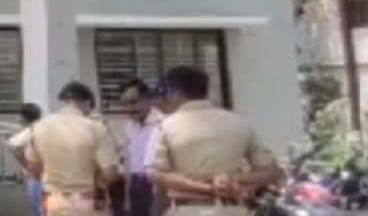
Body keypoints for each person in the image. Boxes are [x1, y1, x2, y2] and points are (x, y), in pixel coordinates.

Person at [148, 66, 283, 216]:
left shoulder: (166, 126)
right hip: (234, 210)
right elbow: (271, 171)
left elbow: (157, 175)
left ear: (174, 93)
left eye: (165, 94)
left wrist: (206, 188)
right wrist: (233, 181)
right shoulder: (239, 122)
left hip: (187, 209)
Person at [26, 81, 120, 216]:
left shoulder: (39, 127)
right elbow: (111, 172)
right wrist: (99, 186)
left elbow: (34, 169)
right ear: (87, 102)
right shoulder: (96, 128)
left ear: (63, 102)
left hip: (55, 202)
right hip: (87, 201)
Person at [118, 80, 163, 216]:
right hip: (136, 185)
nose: (129, 108)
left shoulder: (163, 123)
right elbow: (128, 162)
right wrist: (127, 196)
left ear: (148, 99)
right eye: (124, 104)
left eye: (133, 102)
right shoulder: (128, 126)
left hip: (159, 185)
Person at [8, 102, 45, 216]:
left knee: (38, 208)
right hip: (47, 174)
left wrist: (24, 163)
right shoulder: (44, 128)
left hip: (36, 176)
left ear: (24, 117)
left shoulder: (31, 130)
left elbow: (12, 145)